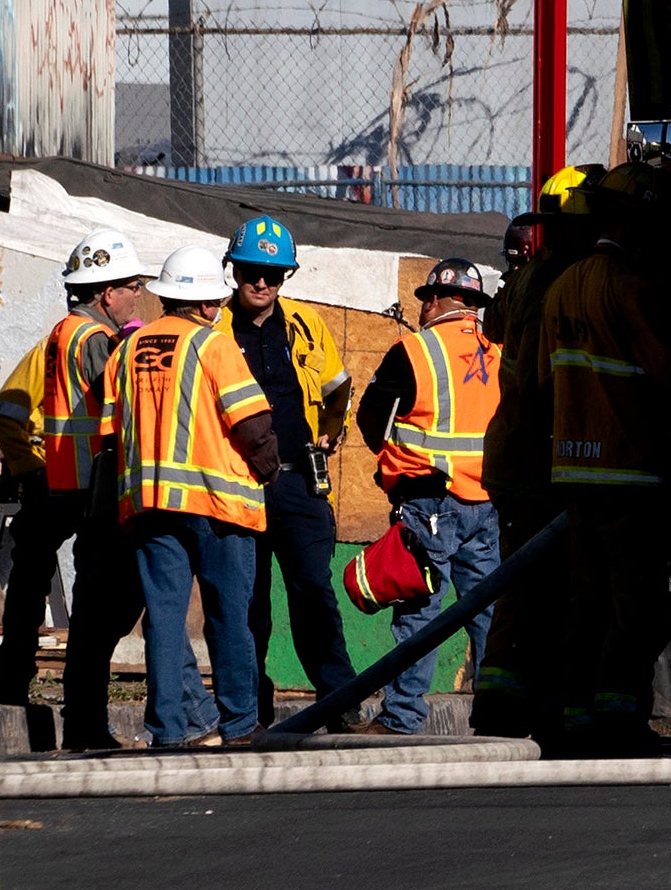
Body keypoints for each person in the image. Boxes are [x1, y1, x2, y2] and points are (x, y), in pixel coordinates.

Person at [523, 159, 671, 751]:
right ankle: (619, 719)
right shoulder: (633, 288)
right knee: (633, 607)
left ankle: (576, 718)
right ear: (639, 225)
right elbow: (667, 375)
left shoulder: (561, 287)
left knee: (583, 602)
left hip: (574, 469)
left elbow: (542, 380)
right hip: (629, 471)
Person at [0, 240, 138, 751]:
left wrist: (30, 471)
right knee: (107, 603)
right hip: (93, 488)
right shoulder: (97, 339)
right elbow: (129, 410)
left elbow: (4, 412)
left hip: (53, 482)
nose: (136, 297)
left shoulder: (57, 337)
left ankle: (9, 685)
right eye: (132, 287)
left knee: (28, 585)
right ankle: (86, 718)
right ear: (107, 291)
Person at [208, 212, 361, 725]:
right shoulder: (213, 331)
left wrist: (330, 434)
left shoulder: (305, 325)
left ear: (285, 277)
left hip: (299, 481)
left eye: (273, 274)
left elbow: (339, 386)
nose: (261, 282)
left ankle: (339, 702)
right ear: (234, 270)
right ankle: (250, 710)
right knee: (248, 604)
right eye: (252, 270)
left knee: (314, 592)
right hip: (239, 485)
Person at [117, 237, 268, 746]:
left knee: (163, 618)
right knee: (229, 617)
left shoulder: (130, 347)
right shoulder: (213, 343)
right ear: (207, 302)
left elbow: (109, 429)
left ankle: (168, 730)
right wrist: (271, 469)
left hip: (150, 504)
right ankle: (240, 724)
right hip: (216, 504)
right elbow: (251, 422)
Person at [353, 257, 500, 737]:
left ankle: (401, 717)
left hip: (430, 500)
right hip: (487, 500)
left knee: (419, 610)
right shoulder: (497, 350)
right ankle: (502, 714)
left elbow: (371, 418)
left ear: (434, 299)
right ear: (473, 304)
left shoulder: (414, 349)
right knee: (488, 612)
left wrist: (393, 463)